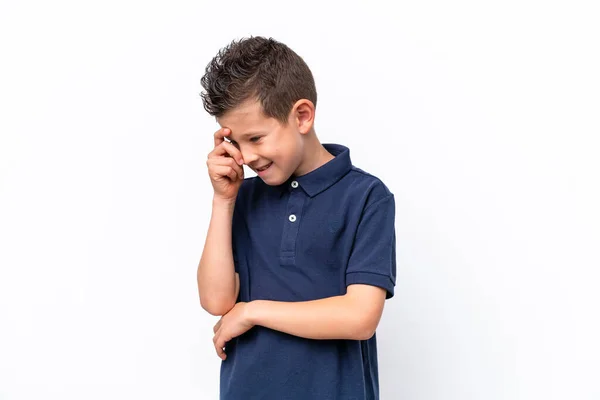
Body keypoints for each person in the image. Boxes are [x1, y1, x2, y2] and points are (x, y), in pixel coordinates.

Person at [197, 35, 397, 400]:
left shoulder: (366, 197)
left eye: (256, 138)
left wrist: (254, 312)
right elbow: (216, 301)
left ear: (302, 116)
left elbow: (360, 317)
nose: (246, 156)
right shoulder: (244, 196)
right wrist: (223, 201)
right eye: (236, 143)